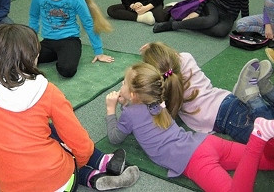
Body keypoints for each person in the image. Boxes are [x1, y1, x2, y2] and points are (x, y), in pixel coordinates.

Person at [0, 24, 139, 192]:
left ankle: (94, 177)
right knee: (58, 139)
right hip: (61, 183)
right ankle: (96, 167)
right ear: (34, 56)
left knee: (47, 134)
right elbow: (80, 144)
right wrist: (76, 163)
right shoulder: (47, 91)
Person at [105, 62, 274, 192]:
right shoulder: (156, 100)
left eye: (123, 84)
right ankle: (265, 130)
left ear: (134, 95)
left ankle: (259, 136)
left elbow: (115, 138)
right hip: (206, 142)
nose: (121, 86)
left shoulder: (130, 113)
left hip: (193, 160)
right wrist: (126, 104)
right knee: (268, 161)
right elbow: (140, 115)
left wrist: (110, 110)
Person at [141, 41, 274, 144]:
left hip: (222, 117)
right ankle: (266, 92)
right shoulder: (186, 57)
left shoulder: (162, 89)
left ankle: (253, 98)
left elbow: (154, 108)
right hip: (225, 98)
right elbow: (173, 58)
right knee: (268, 127)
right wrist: (154, 49)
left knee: (266, 139)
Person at [29, 0, 114, 78]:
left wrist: (98, 51)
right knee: (23, 60)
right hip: (47, 41)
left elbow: (88, 23)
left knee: (67, 70)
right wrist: (32, 45)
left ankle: (64, 56)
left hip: (69, 40)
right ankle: (55, 55)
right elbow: (33, 18)